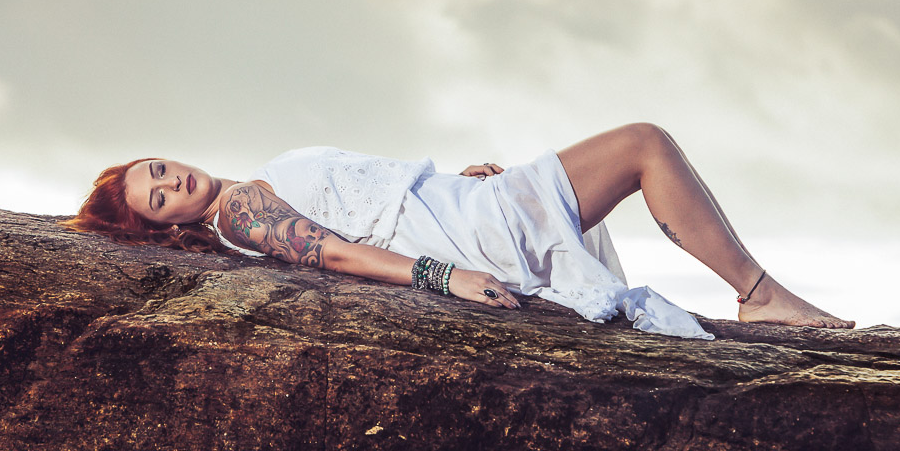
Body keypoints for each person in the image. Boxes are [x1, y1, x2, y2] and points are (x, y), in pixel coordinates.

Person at [64, 123, 854, 339]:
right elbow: (334, 253)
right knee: (645, 144)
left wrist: (453, 181)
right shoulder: (241, 213)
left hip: (463, 208)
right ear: (162, 226)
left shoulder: (248, 186)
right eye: (158, 199)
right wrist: (444, 278)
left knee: (640, 150)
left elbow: (365, 198)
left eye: (159, 169)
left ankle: (759, 295)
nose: (174, 183)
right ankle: (759, 296)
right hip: (467, 240)